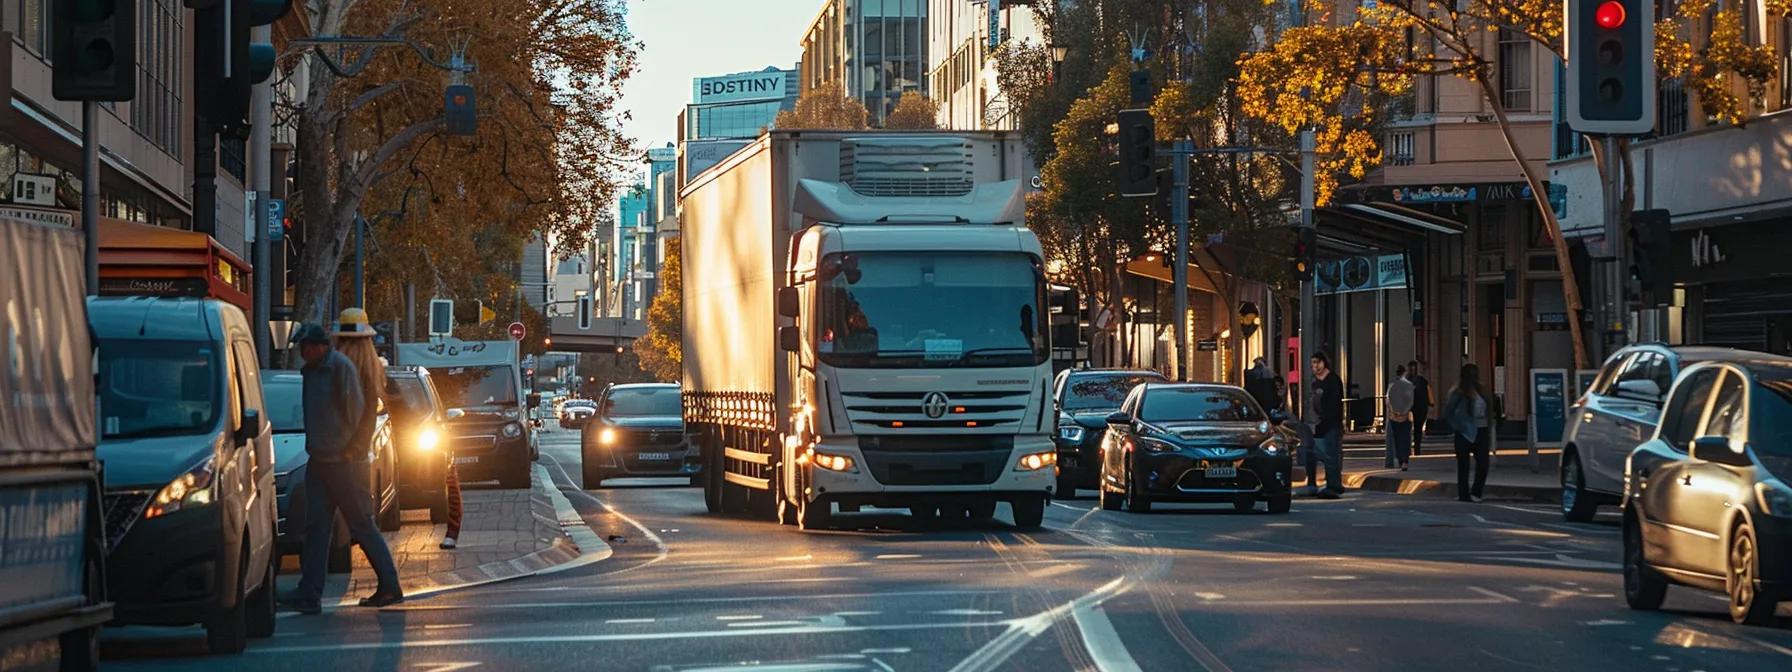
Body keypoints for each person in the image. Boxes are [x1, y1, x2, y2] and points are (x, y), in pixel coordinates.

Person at [278, 319, 404, 615]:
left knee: (360, 524)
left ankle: (389, 584)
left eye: (307, 346)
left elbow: (357, 414)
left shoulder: (341, 369)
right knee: (318, 527)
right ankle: (310, 593)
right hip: (321, 461)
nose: (302, 352)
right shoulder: (315, 370)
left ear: (322, 345)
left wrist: (351, 451)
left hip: (343, 463)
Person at [1441, 363, 1492, 503]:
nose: (1473, 377)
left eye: (1475, 374)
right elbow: (1448, 412)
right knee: (1463, 465)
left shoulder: (1481, 390)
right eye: (1471, 374)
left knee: (1483, 463)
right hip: (1464, 431)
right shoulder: (1458, 392)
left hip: (1481, 430)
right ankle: (1464, 494)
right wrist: (1457, 426)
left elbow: (1489, 409)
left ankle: (1476, 492)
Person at [1306, 352, 1345, 499]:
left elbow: (1335, 404)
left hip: (1331, 424)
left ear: (1324, 363)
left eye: (1317, 362)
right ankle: (1311, 484)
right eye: (1313, 363)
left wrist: (1327, 420)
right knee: (1311, 454)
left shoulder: (1333, 380)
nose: (1315, 366)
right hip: (1316, 424)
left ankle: (1334, 486)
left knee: (1331, 456)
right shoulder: (1315, 382)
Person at [1385, 364, 1414, 471]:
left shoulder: (1391, 386)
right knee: (1405, 439)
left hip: (1394, 417)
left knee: (1396, 440)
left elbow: (1388, 402)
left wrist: (1394, 412)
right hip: (1405, 416)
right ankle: (1404, 461)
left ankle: (1398, 460)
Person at [1408, 360, 1433, 456]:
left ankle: (1414, 447)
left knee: (1414, 429)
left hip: (1415, 408)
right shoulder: (1422, 381)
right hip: (1418, 408)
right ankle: (1415, 447)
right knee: (1415, 429)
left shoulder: (1410, 381)